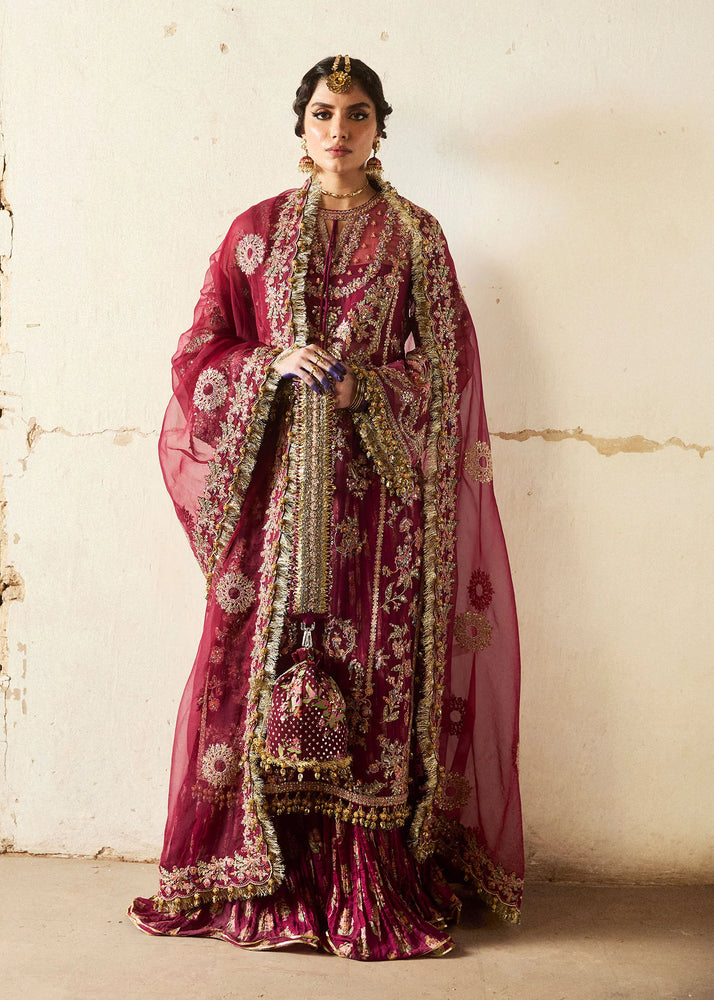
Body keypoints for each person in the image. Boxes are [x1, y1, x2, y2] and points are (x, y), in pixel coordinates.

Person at [129, 54, 524, 961]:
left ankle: (366, 875)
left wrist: (364, 391)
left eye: (355, 114)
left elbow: (448, 369)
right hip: (275, 501)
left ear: (381, 127)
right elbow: (199, 352)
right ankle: (258, 870)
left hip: (380, 511)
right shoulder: (255, 232)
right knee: (255, 667)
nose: (337, 130)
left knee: (375, 674)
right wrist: (269, 364)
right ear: (300, 125)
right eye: (321, 113)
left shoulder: (417, 236)